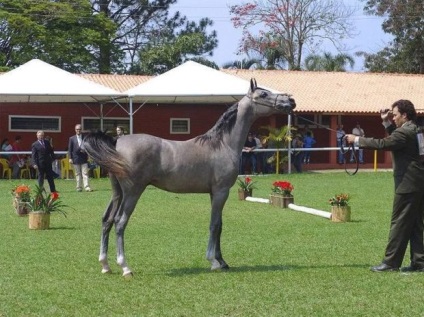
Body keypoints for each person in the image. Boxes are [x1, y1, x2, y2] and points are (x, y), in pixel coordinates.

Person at [345, 99, 424, 272]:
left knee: (400, 222)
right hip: (418, 183)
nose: (393, 118)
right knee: (416, 223)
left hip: (407, 184)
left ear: (404, 115)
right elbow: (397, 138)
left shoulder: (406, 133)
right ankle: (419, 262)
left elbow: (385, 143)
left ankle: (390, 263)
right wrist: (385, 120)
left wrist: (357, 139)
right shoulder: (416, 130)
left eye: (395, 115)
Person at [68, 124, 92, 192]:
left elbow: (88, 147)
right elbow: (70, 149)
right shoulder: (71, 138)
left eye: (79, 129)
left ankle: (87, 187)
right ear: (75, 130)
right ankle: (79, 187)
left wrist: (89, 155)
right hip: (75, 158)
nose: (78, 130)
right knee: (77, 173)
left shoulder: (85, 138)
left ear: (81, 130)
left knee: (85, 173)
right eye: (77, 129)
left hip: (84, 158)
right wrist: (70, 158)